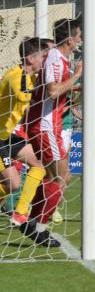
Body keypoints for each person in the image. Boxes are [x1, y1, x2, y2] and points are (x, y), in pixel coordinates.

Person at [22, 19, 83, 248]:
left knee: (56, 177)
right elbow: (52, 90)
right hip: (45, 125)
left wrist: (76, 90)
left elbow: (58, 93)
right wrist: (76, 76)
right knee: (60, 178)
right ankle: (39, 227)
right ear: (70, 39)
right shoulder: (56, 57)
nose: (81, 40)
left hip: (50, 124)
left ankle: (32, 221)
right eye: (79, 36)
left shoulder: (60, 59)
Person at [0, 38, 48, 227]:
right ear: (30, 58)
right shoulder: (15, 76)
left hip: (7, 136)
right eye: (43, 57)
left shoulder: (30, 77)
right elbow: (21, 94)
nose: (45, 61)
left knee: (39, 165)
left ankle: (20, 213)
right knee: (13, 184)